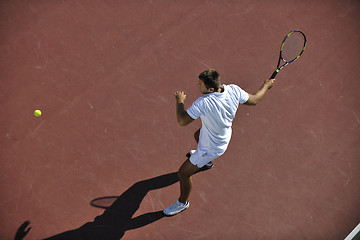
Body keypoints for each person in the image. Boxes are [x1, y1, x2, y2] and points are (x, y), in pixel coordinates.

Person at [163, 69, 275, 216]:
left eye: (200, 85)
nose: (198, 87)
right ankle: (207, 163)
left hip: (211, 147)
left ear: (210, 89)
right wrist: (265, 86)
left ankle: (182, 203)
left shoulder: (203, 103)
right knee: (198, 134)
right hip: (222, 135)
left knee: (183, 174)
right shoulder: (234, 90)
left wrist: (180, 102)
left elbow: (182, 121)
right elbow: (254, 100)